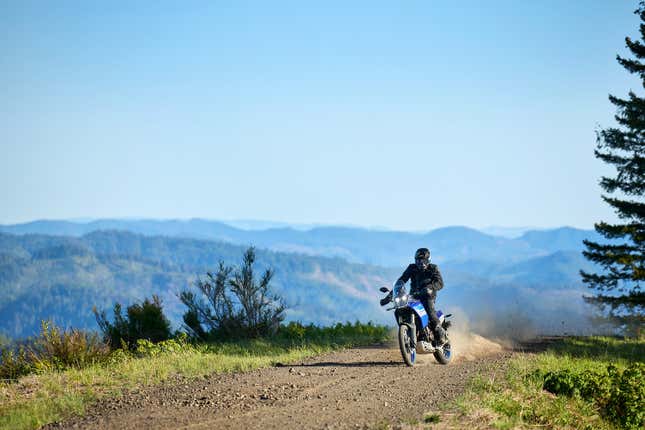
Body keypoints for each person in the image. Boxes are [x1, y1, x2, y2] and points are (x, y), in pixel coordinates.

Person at [384, 247, 446, 346]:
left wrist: (431, 287)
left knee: (430, 311)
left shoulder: (433, 268)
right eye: (418, 260)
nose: (421, 263)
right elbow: (402, 280)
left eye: (423, 260)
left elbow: (440, 283)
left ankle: (439, 332)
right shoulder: (412, 268)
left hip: (428, 296)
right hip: (414, 296)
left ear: (428, 260)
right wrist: (389, 296)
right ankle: (409, 331)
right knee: (400, 309)